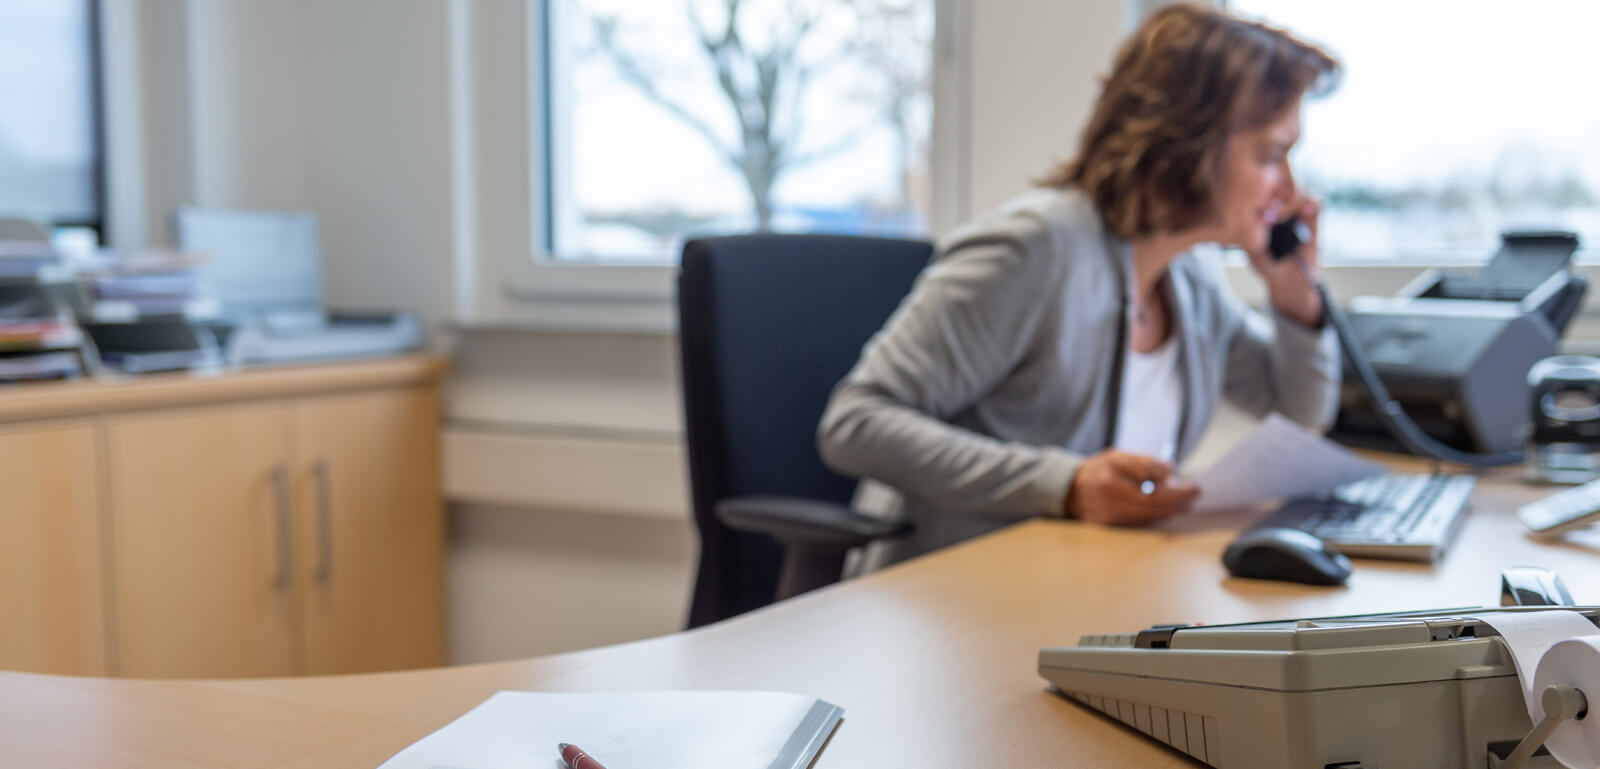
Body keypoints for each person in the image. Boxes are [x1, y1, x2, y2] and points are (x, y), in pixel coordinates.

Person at [817, 4, 1343, 568]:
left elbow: (1298, 411)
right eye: (1270, 154)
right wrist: (1064, 484)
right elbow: (856, 421)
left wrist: (1294, 295)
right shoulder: (1036, 249)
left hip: (1079, 579)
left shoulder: (1189, 280)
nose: (1290, 187)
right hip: (949, 591)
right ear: (1188, 141)